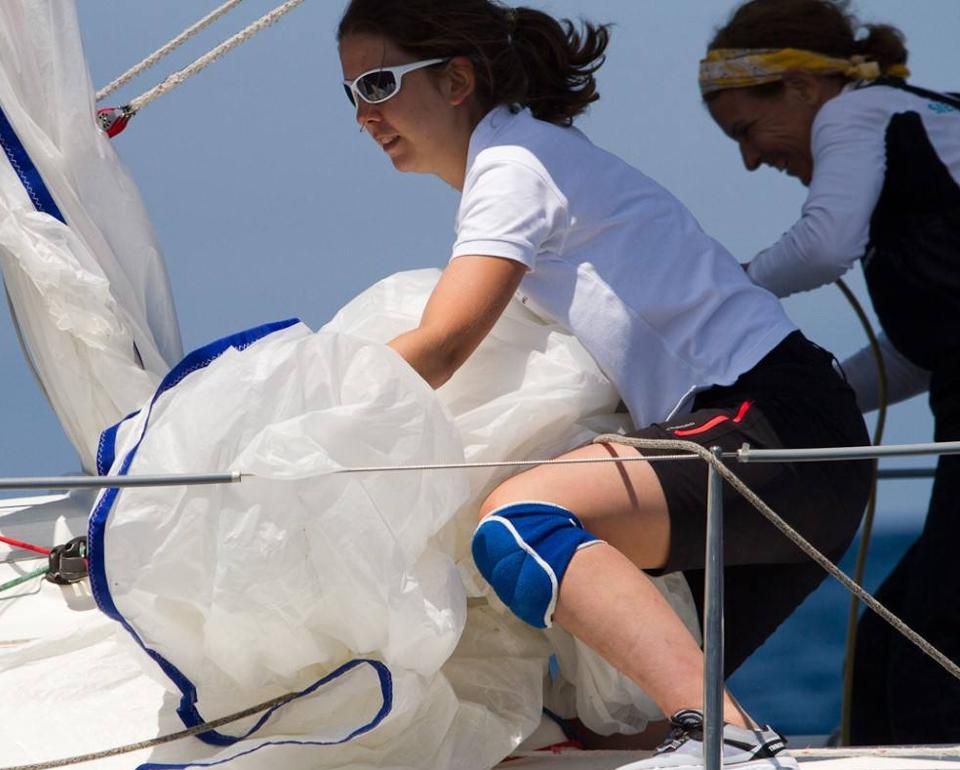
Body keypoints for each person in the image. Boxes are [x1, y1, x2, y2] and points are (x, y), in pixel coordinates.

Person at [337, 0, 873, 767]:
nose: (363, 113)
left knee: (518, 522)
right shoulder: (537, 153)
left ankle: (738, 740)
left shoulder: (514, 167)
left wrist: (304, 413)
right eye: (351, 92)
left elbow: (445, 343)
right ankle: (720, 736)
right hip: (790, 445)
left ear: (456, 79)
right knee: (603, 737)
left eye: (380, 84)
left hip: (772, 425)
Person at [700, 0, 960, 746]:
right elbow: (923, 347)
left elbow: (821, 248)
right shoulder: (914, 141)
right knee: (896, 642)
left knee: (931, 642)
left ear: (806, 90)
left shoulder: (858, 112)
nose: (752, 160)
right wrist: (818, 404)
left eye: (748, 131)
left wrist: (720, 289)